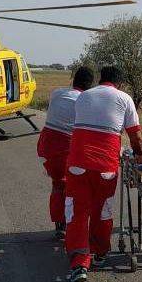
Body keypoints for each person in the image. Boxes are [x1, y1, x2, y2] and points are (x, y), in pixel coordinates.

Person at [64, 66, 142, 282]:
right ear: (119, 83)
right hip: (105, 167)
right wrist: (140, 156)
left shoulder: (83, 97)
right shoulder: (124, 98)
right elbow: (135, 137)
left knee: (77, 212)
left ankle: (79, 263)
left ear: (101, 79)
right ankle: (99, 252)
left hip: (77, 163)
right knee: (103, 209)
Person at [36, 66, 94, 238]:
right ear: (90, 85)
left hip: (47, 144)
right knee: (74, 186)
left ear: (73, 80)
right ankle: (72, 223)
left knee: (57, 184)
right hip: (66, 146)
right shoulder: (85, 100)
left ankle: (59, 222)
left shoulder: (57, 93)